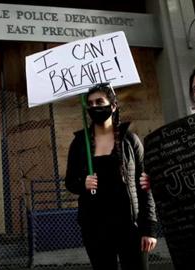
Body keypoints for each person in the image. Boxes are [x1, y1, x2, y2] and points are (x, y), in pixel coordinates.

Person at [64, 83, 158, 270]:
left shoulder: (130, 140)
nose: (95, 107)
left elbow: (144, 186)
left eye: (100, 101)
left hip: (130, 226)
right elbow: (70, 182)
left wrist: (149, 229)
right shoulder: (79, 143)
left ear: (113, 105)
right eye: (90, 103)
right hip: (95, 227)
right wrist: (83, 183)